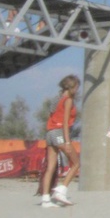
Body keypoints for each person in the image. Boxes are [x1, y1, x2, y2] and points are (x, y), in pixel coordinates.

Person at [40, 74, 82, 208]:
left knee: (50, 167)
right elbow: (65, 122)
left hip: (50, 133)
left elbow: (50, 116)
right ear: (72, 87)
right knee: (76, 163)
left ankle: (45, 199)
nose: (77, 90)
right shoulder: (68, 100)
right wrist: (68, 142)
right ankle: (61, 190)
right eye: (77, 87)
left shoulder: (56, 99)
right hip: (59, 133)